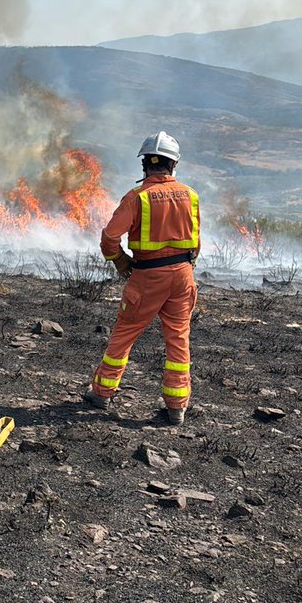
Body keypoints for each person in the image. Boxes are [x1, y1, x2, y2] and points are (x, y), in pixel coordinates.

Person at [83, 131, 200, 424]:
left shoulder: (138, 198)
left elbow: (110, 237)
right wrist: (185, 267)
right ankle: (177, 408)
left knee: (124, 335)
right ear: (173, 165)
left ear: (145, 165)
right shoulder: (190, 195)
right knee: (178, 339)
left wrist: (121, 262)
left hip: (147, 277)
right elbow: (195, 241)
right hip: (183, 275)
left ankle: (101, 394)